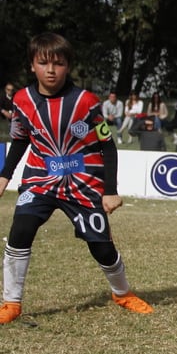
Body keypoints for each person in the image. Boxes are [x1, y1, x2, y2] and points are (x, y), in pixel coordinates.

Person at [0, 32, 153, 324]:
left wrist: (110, 189)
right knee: (21, 229)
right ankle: (11, 303)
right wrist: (4, 176)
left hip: (82, 180)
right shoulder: (22, 100)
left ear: (68, 66)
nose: (50, 69)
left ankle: (122, 293)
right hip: (40, 179)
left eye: (58, 63)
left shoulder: (86, 102)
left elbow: (107, 145)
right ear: (32, 65)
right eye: (43, 63)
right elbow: (20, 139)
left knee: (101, 246)